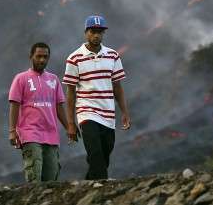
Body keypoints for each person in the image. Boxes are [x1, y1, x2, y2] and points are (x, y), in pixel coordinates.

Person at [63, 15, 130, 180]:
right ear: (86, 32)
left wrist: (125, 112)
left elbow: (117, 87)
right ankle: (104, 189)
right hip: (87, 112)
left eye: (100, 32)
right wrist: (71, 123)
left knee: (104, 155)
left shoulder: (113, 56)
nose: (96, 35)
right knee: (95, 152)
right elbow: (70, 92)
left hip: (108, 114)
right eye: (93, 31)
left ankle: (89, 186)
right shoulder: (74, 58)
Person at [8, 42, 74, 182]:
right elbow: (14, 105)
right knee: (34, 175)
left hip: (51, 135)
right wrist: (12, 131)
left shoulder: (54, 79)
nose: (42, 60)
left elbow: (58, 107)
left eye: (45, 57)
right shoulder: (21, 78)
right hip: (30, 133)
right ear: (31, 56)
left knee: (51, 178)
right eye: (38, 56)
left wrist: (69, 127)